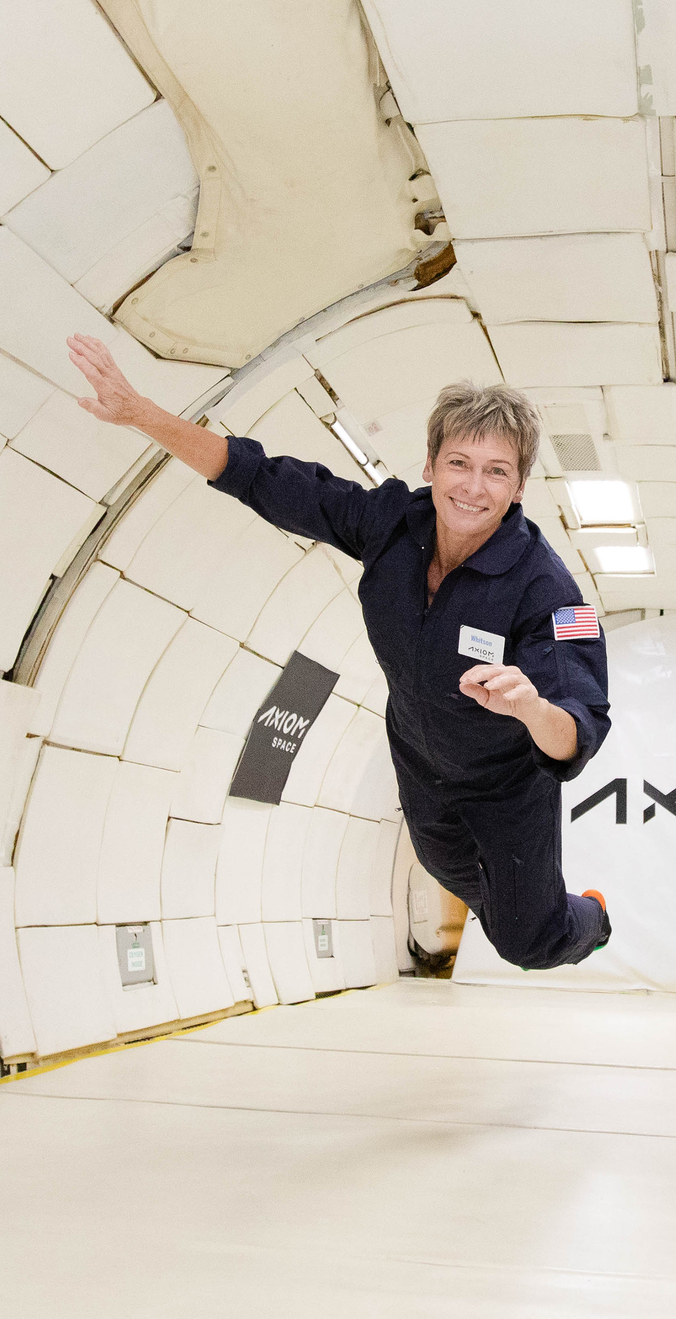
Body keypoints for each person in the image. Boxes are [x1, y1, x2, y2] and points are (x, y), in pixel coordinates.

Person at [65, 335, 611, 970]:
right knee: (467, 884)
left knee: (528, 942)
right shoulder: (388, 525)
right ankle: (515, 899)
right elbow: (258, 477)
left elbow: (581, 725)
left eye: (497, 471)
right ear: (430, 466)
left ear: (519, 487)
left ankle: (592, 916)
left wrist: (531, 709)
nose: (474, 487)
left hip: (506, 791)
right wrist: (139, 412)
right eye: (460, 463)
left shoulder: (552, 593)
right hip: (420, 769)